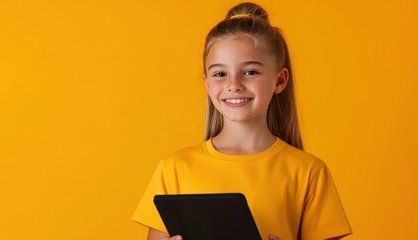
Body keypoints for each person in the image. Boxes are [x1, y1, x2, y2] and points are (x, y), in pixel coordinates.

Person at [132, 2, 352, 240]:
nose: (234, 84)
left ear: (280, 80)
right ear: (207, 83)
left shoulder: (309, 172)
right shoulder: (174, 168)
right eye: (220, 74)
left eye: (250, 72)